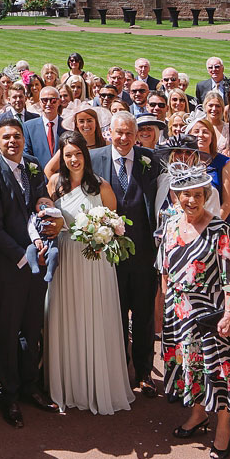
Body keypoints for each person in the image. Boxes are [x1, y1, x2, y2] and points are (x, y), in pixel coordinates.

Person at [158, 162, 230, 459]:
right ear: (176, 196)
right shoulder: (170, 225)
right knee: (191, 367)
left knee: (219, 369)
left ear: (207, 194)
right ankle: (199, 414)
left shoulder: (220, 229)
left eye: (198, 194)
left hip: (211, 312)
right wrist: (166, 306)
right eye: (185, 195)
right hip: (180, 311)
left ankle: (223, 425)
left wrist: (229, 313)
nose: (191, 200)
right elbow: (165, 269)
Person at [0, 118, 62, 426]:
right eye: (6, 138)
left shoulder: (33, 165)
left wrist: (48, 216)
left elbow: (42, 201)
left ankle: (30, 386)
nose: (13, 141)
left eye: (17, 137)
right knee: (9, 333)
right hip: (11, 267)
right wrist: (24, 256)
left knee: (32, 329)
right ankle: (8, 395)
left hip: (38, 265)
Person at [45, 130, 133, 415]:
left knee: (95, 317)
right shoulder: (53, 186)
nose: (73, 160)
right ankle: (70, 386)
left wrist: (100, 234)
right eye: (67, 155)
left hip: (95, 263)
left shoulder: (101, 186)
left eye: (77, 154)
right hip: (66, 260)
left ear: (86, 155)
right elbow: (45, 220)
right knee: (67, 317)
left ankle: (98, 385)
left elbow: (116, 224)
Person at [91, 112, 160, 396]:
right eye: (118, 133)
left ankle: (144, 373)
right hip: (109, 255)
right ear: (109, 132)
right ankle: (119, 371)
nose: (123, 138)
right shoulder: (94, 159)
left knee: (143, 315)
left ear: (136, 135)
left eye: (129, 134)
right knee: (113, 314)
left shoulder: (150, 160)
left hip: (143, 252)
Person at [201, 90, 230, 155]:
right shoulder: (199, 126)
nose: (214, 109)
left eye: (217, 106)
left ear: (222, 108)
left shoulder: (229, 128)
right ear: (205, 107)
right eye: (210, 105)